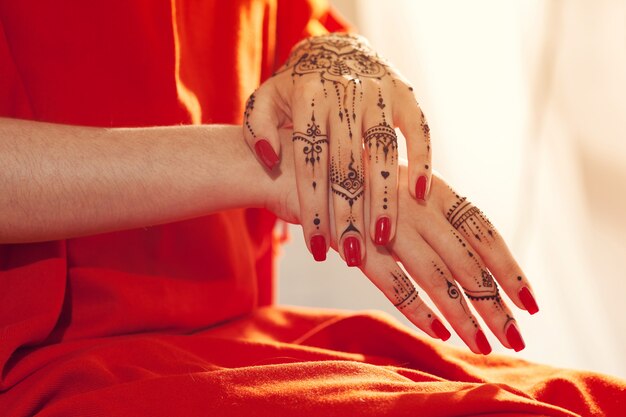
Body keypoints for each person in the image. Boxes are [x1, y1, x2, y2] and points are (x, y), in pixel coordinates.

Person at [0, 1, 623, 416]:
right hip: (39, 366)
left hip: (231, 335)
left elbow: (294, 29)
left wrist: (338, 64)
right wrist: (266, 167)